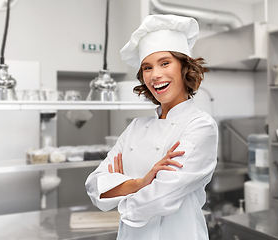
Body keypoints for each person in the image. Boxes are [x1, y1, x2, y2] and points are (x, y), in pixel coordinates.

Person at [85, 14, 218, 240]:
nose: (155, 75)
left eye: (165, 63)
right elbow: (95, 185)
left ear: (184, 67)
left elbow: (161, 197)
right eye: (147, 67)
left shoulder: (200, 126)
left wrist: (121, 189)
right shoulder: (137, 126)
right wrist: (141, 182)